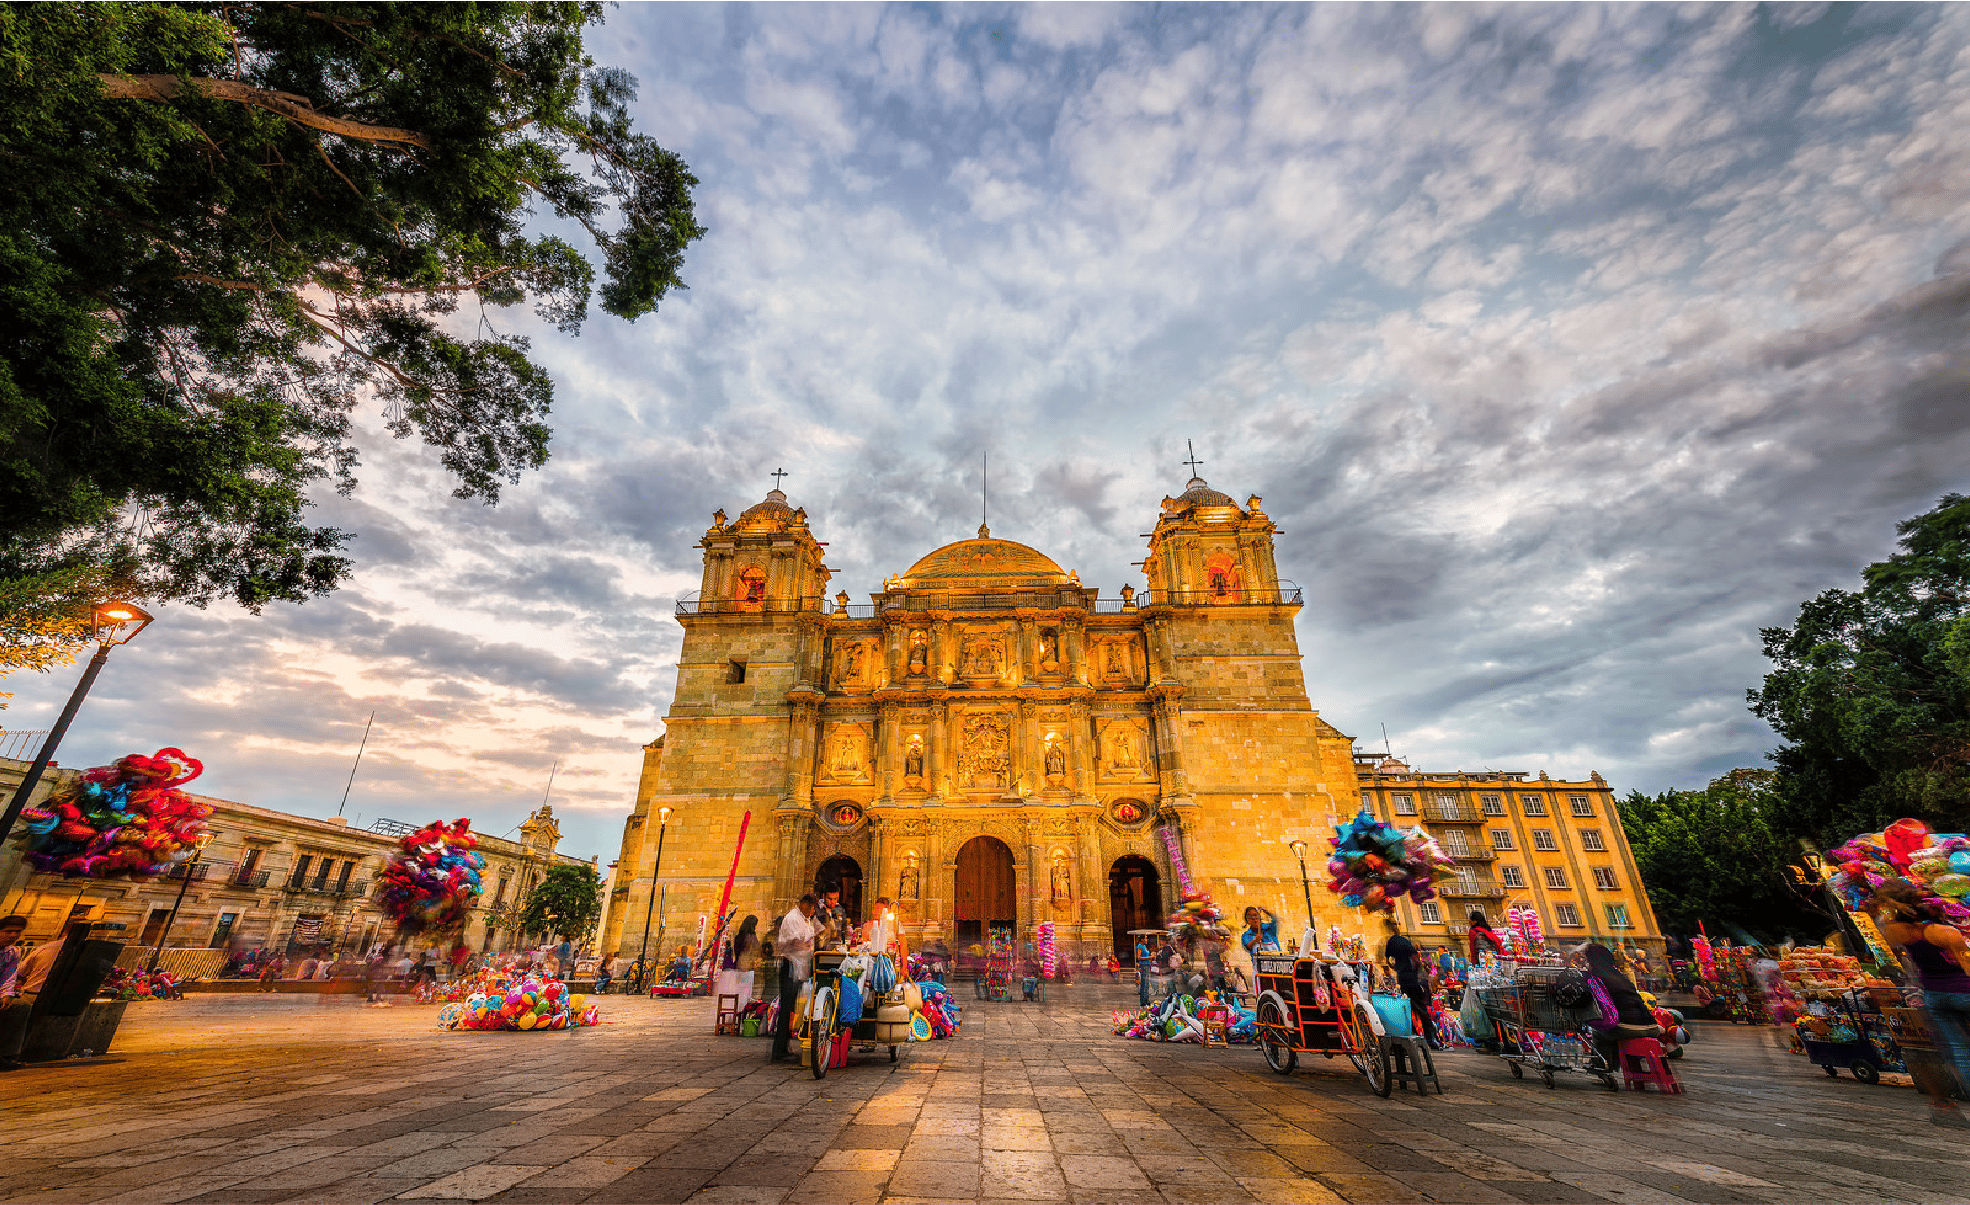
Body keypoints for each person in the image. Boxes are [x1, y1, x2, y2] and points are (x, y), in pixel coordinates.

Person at [1869, 879, 1970, 1127]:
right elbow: (1967, 966)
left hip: (1934, 995)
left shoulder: (1896, 932)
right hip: (1963, 991)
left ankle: (1948, 1105)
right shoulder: (1943, 932)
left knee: (1958, 1051)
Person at [1580, 941, 1661, 1072]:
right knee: (1613, 1026)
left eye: (1587, 960)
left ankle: (1602, 1067)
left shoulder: (1596, 978)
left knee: (1601, 1032)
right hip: (1651, 1026)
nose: (1585, 963)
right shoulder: (1620, 976)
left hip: (1628, 1027)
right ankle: (1613, 1064)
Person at [771, 895, 820, 1063]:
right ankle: (778, 1049)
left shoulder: (805, 920)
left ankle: (784, 1046)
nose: (813, 911)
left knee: (792, 1008)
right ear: (805, 905)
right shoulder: (792, 918)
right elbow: (789, 942)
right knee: (786, 1008)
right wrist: (805, 944)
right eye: (812, 907)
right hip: (790, 966)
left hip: (800, 968)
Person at [1383, 918, 1439, 1049]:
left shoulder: (1390, 943)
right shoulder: (1405, 942)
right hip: (1413, 980)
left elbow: (1388, 961)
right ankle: (1431, 1038)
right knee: (1421, 1009)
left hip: (1403, 979)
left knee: (1408, 1008)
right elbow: (1416, 959)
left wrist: (1395, 966)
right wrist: (1420, 969)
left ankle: (1412, 1037)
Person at [718, 915, 760, 1005]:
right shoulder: (751, 937)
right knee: (746, 993)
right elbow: (756, 949)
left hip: (738, 965)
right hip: (747, 967)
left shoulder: (738, 937)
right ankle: (743, 1013)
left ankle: (737, 1012)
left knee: (739, 992)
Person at [0, 916, 25, 999]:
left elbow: (9, 976)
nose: (13, 935)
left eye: (17, 932)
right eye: (8, 931)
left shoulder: (13, 952)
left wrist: (7, 994)